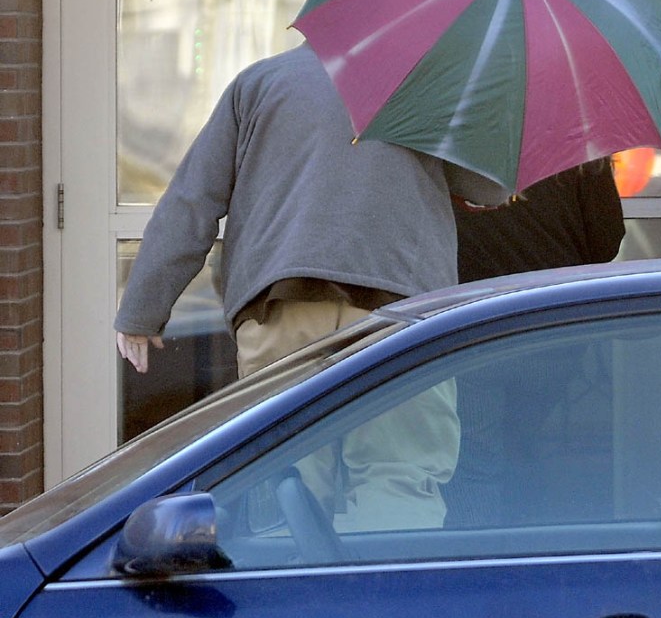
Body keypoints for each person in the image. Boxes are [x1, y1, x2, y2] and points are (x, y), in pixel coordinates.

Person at [115, 40, 509, 528]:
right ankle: (380, 602)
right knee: (397, 477)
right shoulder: (424, 83)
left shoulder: (258, 84)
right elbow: (491, 185)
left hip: (278, 308)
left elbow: (193, 200)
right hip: (397, 313)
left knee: (288, 490)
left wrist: (142, 309)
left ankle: (296, 600)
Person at [444, 158, 625, 529]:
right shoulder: (577, 147)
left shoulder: (451, 139)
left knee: (474, 465)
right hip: (551, 328)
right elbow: (606, 242)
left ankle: (477, 569)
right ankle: (528, 552)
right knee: (526, 452)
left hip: (471, 328)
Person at [454, 157, 626, 284]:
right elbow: (606, 243)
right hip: (552, 301)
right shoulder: (577, 139)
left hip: (468, 304)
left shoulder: (448, 142)